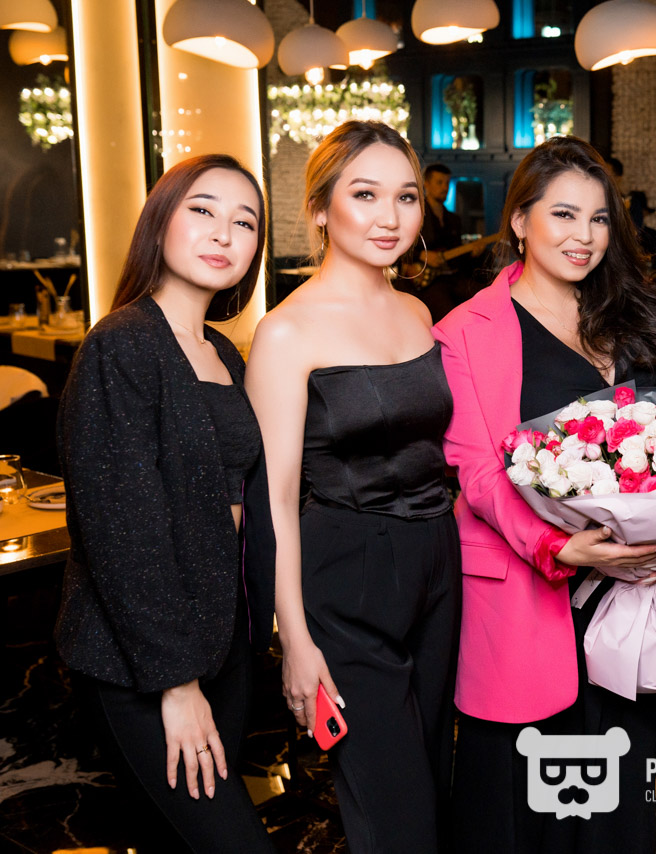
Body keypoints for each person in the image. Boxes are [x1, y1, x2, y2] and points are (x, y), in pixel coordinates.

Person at [436, 135, 656, 854]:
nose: (583, 235)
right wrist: (558, 547)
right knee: (520, 812)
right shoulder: (466, 332)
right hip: (526, 595)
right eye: (563, 214)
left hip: (627, 602)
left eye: (598, 218)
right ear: (519, 221)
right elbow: (480, 473)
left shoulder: (626, 316)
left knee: (615, 808)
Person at [244, 121, 458, 853]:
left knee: (433, 777)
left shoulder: (418, 312)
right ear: (319, 208)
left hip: (439, 560)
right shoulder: (286, 332)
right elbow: (274, 500)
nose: (390, 217)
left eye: (406, 197)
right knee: (392, 806)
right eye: (365, 195)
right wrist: (294, 640)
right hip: (348, 572)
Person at [55, 154, 274, 852]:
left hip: (222, 641)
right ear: (160, 222)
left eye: (245, 222)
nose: (224, 233)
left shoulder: (222, 353)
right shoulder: (121, 346)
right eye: (202, 210)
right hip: (143, 661)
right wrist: (176, 685)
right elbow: (122, 531)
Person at [410, 162, 476, 318]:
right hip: (427, 281)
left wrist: (473, 253)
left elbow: (458, 256)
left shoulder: (454, 219)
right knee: (447, 311)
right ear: (426, 184)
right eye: (439, 182)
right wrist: (422, 255)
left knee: (483, 294)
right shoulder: (414, 215)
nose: (445, 187)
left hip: (452, 276)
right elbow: (400, 249)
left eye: (447, 183)